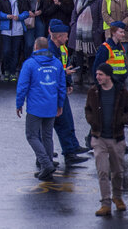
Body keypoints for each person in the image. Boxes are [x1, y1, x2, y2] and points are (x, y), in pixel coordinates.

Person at [85, 63, 128, 216]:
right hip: (99, 137)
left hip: (116, 138)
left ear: (108, 75)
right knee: (102, 172)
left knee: (118, 171)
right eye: (97, 74)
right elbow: (88, 110)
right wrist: (92, 121)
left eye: (100, 74)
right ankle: (105, 203)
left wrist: (122, 120)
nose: (97, 77)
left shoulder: (121, 91)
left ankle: (117, 197)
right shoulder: (93, 91)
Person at [15, 37, 66, 180]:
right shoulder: (56, 63)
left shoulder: (30, 64)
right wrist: (60, 104)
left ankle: (46, 163)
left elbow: (22, 86)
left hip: (35, 108)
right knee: (47, 136)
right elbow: (61, 86)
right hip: (51, 106)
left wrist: (19, 104)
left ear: (36, 46)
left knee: (32, 135)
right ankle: (47, 165)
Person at [48, 19, 89, 164]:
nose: (67, 38)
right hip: (53, 93)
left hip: (59, 91)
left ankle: (70, 149)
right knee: (60, 123)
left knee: (65, 122)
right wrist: (64, 75)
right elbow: (52, 72)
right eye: (65, 36)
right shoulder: (50, 50)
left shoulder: (58, 48)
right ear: (59, 37)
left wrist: (67, 82)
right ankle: (67, 153)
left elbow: (63, 67)